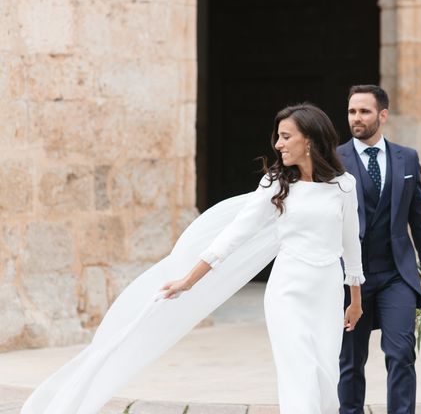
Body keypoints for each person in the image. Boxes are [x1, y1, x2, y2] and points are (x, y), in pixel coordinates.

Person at [22, 104, 365, 414]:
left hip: (327, 291)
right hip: (287, 292)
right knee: (299, 371)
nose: (278, 144)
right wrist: (189, 279)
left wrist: (355, 300)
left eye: (286, 137)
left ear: (310, 140)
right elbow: (232, 237)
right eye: (278, 137)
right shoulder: (275, 184)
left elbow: (351, 245)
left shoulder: (344, 186)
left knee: (325, 373)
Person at [337, 85, 421, 414]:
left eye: (364, 111)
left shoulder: (406, 157)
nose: (356, 118)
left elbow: (419, 215)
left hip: (397, 274)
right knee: (351, 361)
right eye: (352, 111)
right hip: (351, 278)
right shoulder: (334, 159)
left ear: (382, 115)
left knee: (401, 354)